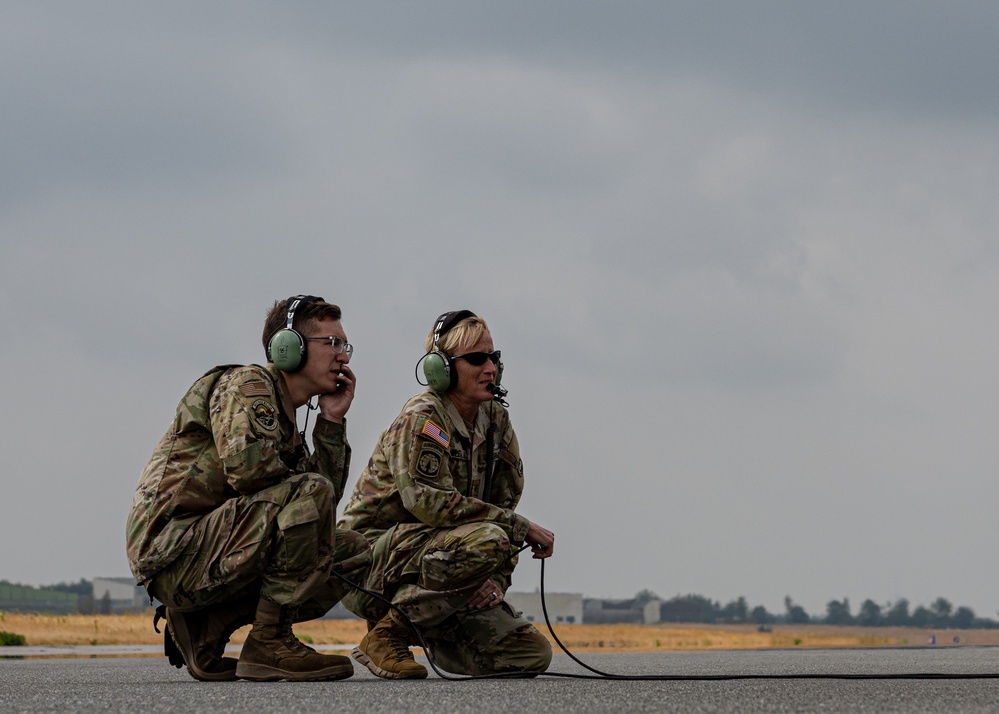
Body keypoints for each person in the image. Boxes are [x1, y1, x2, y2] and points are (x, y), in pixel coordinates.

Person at [125, 295, 370, 682]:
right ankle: (269, 642)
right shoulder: (248, 385)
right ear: (289, 348)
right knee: (309, 492)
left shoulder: (284, 417)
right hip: (173, 551)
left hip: (213, 546)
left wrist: (331, 422)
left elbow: (321, 508)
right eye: (333, 344)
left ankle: (206, 625)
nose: (344, 357)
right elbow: (250, 473)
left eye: (346, 346)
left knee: (352, 553)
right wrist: (306, 484)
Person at [339, 309, 555, 679]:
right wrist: (519, 528)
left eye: (493, 358)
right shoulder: (424, 419)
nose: (490, 368)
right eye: (476, 359)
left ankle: (432, 627)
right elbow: (431, 503)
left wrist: (493, 581)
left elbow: (504, 502)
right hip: (368, 565)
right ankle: (389, 632)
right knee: (489, 538)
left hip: (443, 567)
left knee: (529, 654)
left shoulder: (495, 421)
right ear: (442, 369)